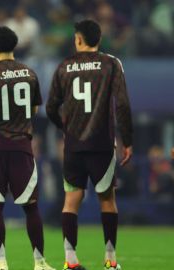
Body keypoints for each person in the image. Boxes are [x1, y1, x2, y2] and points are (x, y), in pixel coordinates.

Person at [0, 26, 55, 270]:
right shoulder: (30, 73)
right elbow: (35, 110)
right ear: (14, 46)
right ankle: (40, 262)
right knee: (31, 206)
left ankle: (1, 262)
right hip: (22, 146)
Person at [46, 19, 133, 270]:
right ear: (99, 39)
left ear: (79, 39)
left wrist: (65, 128)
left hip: (73, 145)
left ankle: (70, 261)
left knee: (71, 200)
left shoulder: (64, 66)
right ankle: (110, 259)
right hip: (102, 145)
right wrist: (127, 140)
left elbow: (51, 106)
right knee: (107, 199)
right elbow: (123, 105)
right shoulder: (111, 64)